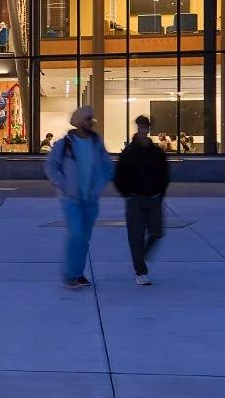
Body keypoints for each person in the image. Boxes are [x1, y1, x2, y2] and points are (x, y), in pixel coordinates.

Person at [43, 106, 112, 289]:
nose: (91, 122)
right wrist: (63, 184)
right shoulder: (64, 144)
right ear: (79, 121)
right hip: (71, 199)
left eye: (92, 119)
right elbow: (51, 166)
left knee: (84, 237)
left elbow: (107, 166)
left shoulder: (97, 143)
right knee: (76, 234)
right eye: (88, 119)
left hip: (90, 200)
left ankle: (78, 274)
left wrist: (99, 185)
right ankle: (70, 274)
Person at [113, 115, 169, 285]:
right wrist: (127, 194)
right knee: (136, 237)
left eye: (145, 128)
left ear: (148, 129)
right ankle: (141, 271)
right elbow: (119, 175)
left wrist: (160, 193)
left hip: (154, 199)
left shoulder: (157, 152)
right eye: (140, 128)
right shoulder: (129, 152)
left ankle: (140, 255)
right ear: (137, 129)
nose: (143, 131)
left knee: (156, 232)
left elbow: (164, 174)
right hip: (135, 199)